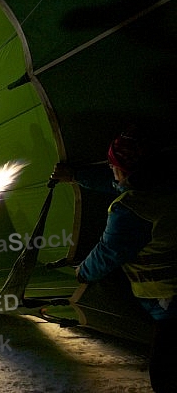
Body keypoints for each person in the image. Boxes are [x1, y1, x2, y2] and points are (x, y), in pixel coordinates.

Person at [51, 127, 177, 392]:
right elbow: (114, 183)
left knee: (165, 375)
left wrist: (82, 273)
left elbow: (109, 253)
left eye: (113, 165)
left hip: (170, 300)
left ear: (125, 169)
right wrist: (75, 176)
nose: (110, 169)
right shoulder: (163, 186)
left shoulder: (130, 211)